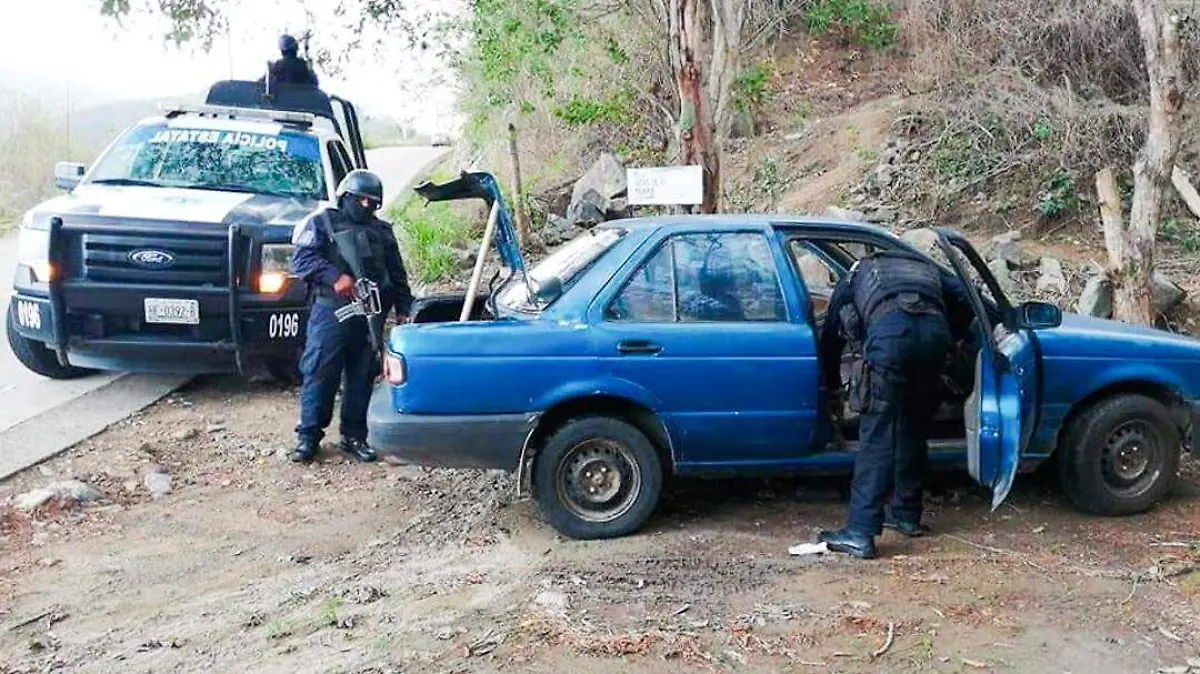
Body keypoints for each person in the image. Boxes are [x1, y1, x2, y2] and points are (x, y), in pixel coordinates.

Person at [816, 248, 972, 559]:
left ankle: (860, 531)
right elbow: (967, 302)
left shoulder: (857, 273)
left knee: (877, 434)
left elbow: (832, 335)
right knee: (913, 426)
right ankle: (905, 514)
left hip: (890, 340)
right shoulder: (926, 267)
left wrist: (831, 387)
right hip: (934, 339)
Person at [290, 169, 413, 464]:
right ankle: (308, 436)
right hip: (332, 311)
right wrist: (335, 277)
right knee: (320, 371)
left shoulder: (382, 232)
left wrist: (404, 309)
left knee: (362, 376)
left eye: (373, 203)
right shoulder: (323, 223)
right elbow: (303, 259)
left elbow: (396, 273)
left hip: (370, 314)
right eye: (362, 201)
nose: (367, 207)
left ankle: (354, 436)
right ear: (347, 196)